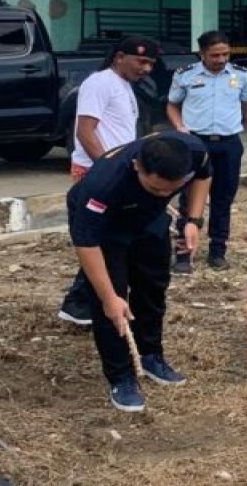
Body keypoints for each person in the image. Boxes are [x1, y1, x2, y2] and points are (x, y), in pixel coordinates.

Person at [67, 133, 212, 412]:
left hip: (150, 219)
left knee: (153, 286)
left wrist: (193, 220)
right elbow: (86, 244)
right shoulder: (103, 183)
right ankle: (121, 377)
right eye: (155, 188)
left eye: (169, 190)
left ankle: (150, 355)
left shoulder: (193, 151)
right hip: (108, 226)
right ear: (137, 166)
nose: (162, 194)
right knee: (112, 304)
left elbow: (204, 175)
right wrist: (109, 296)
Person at [59, 36, 160, 326]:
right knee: (100, 239)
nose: (146, 69)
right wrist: (109, 170)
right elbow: (85, 132)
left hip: (118, 172)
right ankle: (80, 303)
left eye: (151, 64)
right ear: (119, 57)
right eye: (141, 61)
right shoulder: (99, 83)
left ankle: (80, 303)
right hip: (98, 174)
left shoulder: (124, 86)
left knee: (109, 240)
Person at [167, 30, 247, 273]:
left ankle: (217, 251)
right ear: (202, 53)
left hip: (229, 144)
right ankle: (183, 253)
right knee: (189, 198)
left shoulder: (240, 75)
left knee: (223, 198)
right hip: (196, 143)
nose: (220, 59)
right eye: (214, 55)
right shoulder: (185, 75)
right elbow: (172, 105)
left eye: (225, 54)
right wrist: (179, 127)